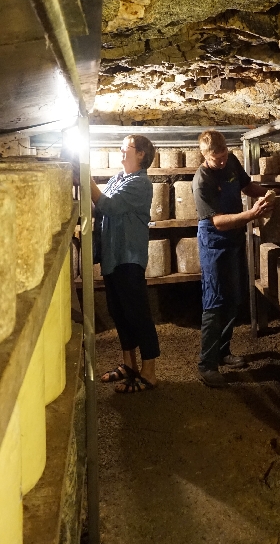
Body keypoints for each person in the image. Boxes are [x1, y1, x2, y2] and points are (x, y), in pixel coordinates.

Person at [192, 130, 274, 388]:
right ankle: (207, 365)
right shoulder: (202, 180)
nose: (222, 161)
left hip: (234, 237)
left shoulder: (232, 161)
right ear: (205, 156)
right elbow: (217, 222)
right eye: (217, 159)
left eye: (225, 155)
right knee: (215, 301)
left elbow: (245, 185)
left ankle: (223, 351)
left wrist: (269, 194)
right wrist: (252, 214)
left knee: (234, 297)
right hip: (214, 240)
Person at [90, 134, 160, 393]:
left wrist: (85, 177)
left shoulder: (141, 184)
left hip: (129, 258)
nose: (121, 150)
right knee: (119, 312)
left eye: (126, 147)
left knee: (138, 314)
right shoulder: (116, 179)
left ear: (140, 154)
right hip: (112, 256)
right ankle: (129, 365)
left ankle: (149, 372)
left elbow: (107, 205)